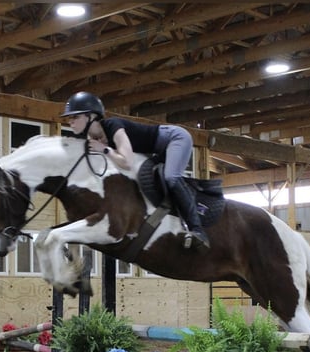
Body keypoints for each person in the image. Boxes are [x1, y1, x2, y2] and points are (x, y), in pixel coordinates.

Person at [60, 91, 210, 251]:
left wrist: (105, 150)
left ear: (91, 116)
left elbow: (127, 162)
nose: (70, 122)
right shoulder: (93, 140)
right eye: (70, 118)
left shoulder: (113, 126)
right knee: (145, 179)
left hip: (175, 138)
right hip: (156, 152)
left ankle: (197, 230)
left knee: (171, 178)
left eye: (75, 117)